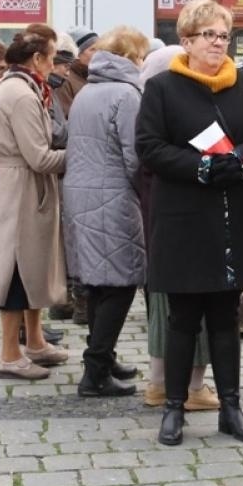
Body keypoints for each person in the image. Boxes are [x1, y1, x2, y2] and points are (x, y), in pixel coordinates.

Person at [137, 0, 243, 446]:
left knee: (225, 317)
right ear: (187, 41)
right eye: (208, 35)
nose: (218, 43)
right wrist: (199, 167)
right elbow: (150, 147)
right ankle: (174, 408)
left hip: (233, 214)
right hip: (183, 217)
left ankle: (231, 409)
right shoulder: (162, 88)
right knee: (182, 318)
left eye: (223, 35)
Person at [62, 27, 151, 398]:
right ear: (131, 57)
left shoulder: (89, 90)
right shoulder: (126, 94)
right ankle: (95, 371)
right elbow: (135, 155)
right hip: (112, 195)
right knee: (121, 282)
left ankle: (102, 356)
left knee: (99, 282)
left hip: (81, 194)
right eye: (141, 56)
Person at [0, 27, 72, 380]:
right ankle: (9, 354)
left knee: (33, 264)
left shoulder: (22, 86)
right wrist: (79, 156)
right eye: (52, 57)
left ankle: (35, 342)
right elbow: (38, 156)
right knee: (15, 268)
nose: (55, 64)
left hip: (23, 185)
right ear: (37, 59)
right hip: (18, 189)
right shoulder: (19, 93)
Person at [139, 43, 219, 412]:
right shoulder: (170, 108)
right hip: (180, 216)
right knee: (190, 311)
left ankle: (158, 384)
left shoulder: (145, 104)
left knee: (162, 308)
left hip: (152, 215)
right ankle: (192, 387)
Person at [57, 26, 99, 120]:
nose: (98, 53)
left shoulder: (93, 77)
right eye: (92, 49)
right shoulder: (65, 80)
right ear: (77, 54)